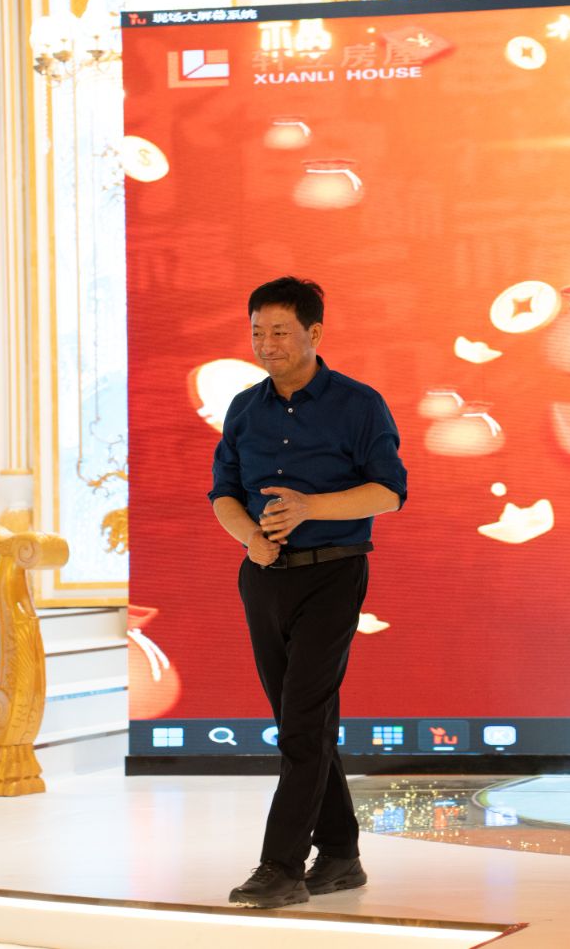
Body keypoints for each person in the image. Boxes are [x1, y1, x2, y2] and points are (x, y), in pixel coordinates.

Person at [208, 277, 408, 908]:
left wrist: (309, 507)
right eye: (257, 332)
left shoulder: (359, 404)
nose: (267, 344)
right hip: (263, 576)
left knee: (302, 721)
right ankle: (342, 855)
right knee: (301, 721)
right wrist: (251, 539)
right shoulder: (244, 408)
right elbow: (223, 494)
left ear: (314, 333)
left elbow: (389, 492)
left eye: (280, 332)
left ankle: (282, 865)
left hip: (333, 572)